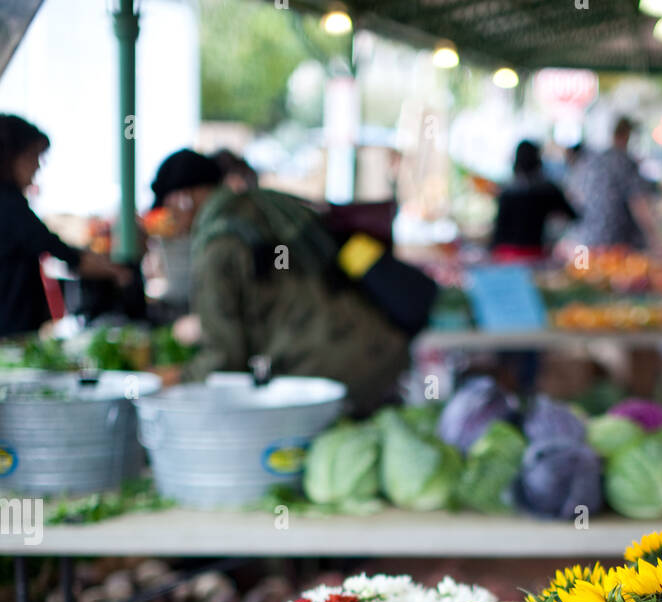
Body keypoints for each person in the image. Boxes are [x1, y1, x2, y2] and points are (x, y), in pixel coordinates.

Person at [149, 148, 410, 414]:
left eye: (167, 207)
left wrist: (168, 379)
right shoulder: (267, 206)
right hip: (376, 346)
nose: (169, 220)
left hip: (326, 375)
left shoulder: (218, 245)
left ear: (184, 198)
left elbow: (224, 360)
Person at [0, 114, 129, 338]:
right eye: (34, 157)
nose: (38, 166)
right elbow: (60, 250)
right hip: (10, 330)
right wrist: (117, 273)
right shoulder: (10, 205)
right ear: (12, 157)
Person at [576, 117, 659, 249]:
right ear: (627, 135)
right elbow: (639, 203)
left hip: (591, 239)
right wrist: (656, 240)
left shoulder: (595, 160)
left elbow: (578, 196)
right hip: (621, 243)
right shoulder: (625, 161)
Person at [491, 140, 577, 254]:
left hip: (506, 254)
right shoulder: (547, 189)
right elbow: (572, 215)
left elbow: (499, 229)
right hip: (535, 254)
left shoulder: (507, 191)